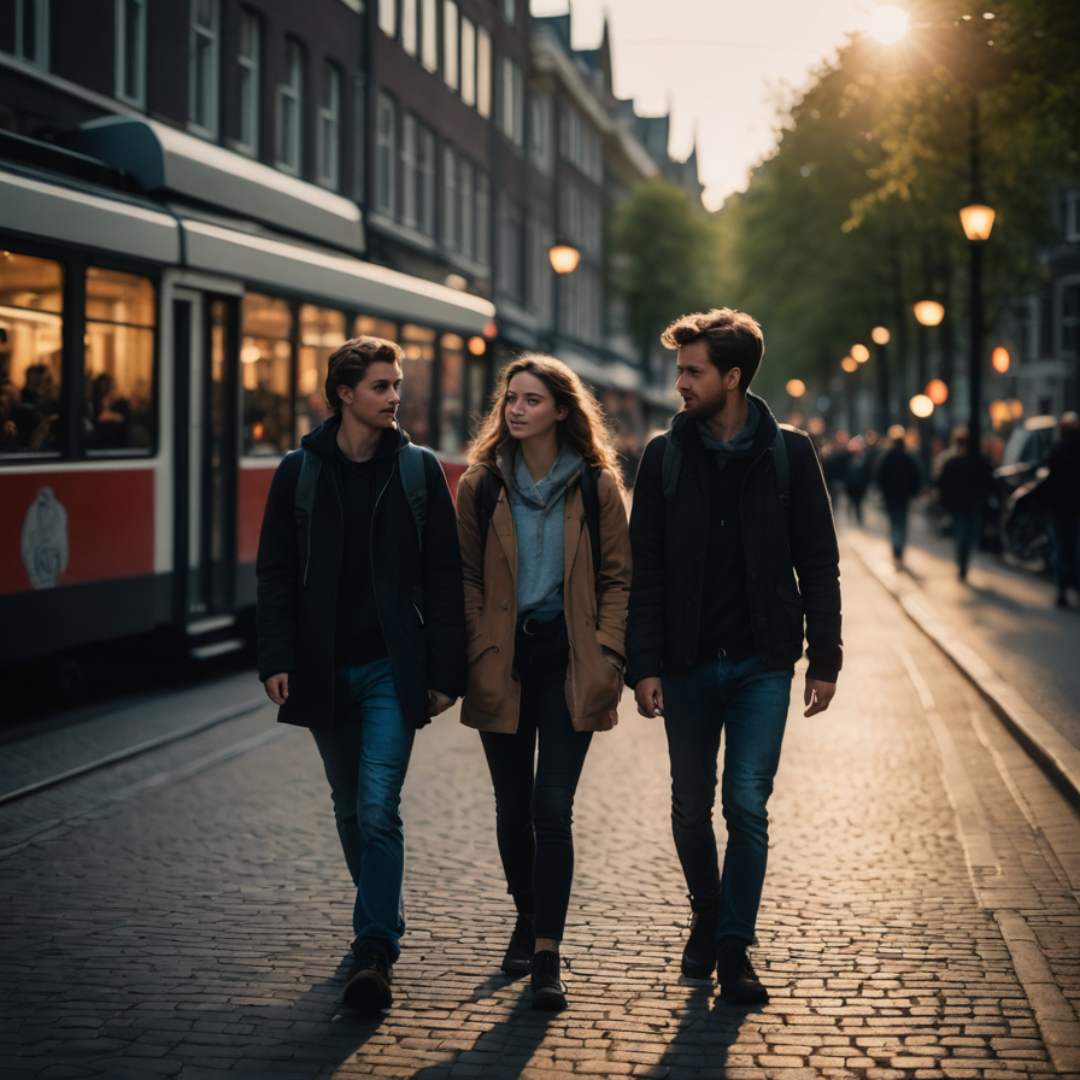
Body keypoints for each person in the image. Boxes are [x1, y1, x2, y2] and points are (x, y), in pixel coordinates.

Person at [626, 308, 842, 1005]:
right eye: (680, 368)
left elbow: (819, 560)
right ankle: (707, 909)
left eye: (693, 371)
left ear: (733, 376)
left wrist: (826, 658)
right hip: (685, 664)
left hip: (761, 662)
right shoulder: (663, 455)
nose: (680, 382)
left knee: (746, 803)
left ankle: (733, 945)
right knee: (690, 808)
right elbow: (645, 567)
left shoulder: (789, 452)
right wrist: (645, 663)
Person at [256, 336, 466, 1015]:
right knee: (349, 810)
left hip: (388, 669)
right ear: (345, 393)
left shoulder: (417, 470)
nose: (395, 396)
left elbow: (442, 576)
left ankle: (374, 947)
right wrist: (277, 657)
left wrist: (444, 670)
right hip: (321, 668)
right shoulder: (299, 472)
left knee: (378, 807)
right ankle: (382, 918)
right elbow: (276, 573)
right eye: (381, 385)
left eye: (396, 384)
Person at [456, 354, 631, 1011]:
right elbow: (464, 576)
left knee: (550, 808)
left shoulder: (595, 486)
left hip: (569, 661)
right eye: (511, 399)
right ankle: (527, 916)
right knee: (512, 808)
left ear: (562, 409)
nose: (517, 409)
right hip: (501, 660)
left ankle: (548, 953)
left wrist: (611, 653)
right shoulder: (481, 485)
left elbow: (620, 577)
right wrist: (477, 644)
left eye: (532, 399)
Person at [935, 428, 995, 581]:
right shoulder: (975, 460)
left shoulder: (953, 461)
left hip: (964, 504)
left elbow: (941, 483)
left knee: (965, 534)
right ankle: (963, 563)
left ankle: (962, 563)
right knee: (966, 534)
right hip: (968, 504)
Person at [1038, 412, 1080, 607]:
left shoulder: (1056, 449)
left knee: (1062, 547)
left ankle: (1062, 589)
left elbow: (1045, 473)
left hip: (1059, 507)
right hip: (1073, 505)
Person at [875, 425, 922, 569]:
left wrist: (883, 490)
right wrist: (913, 492)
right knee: (901, 523)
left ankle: (896, 551)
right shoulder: (908, 458)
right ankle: (899, 551)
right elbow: (916, 476)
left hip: (891, 496)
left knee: (895, 523)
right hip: (903, 497)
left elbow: (879, 475)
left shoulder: (887, 457)